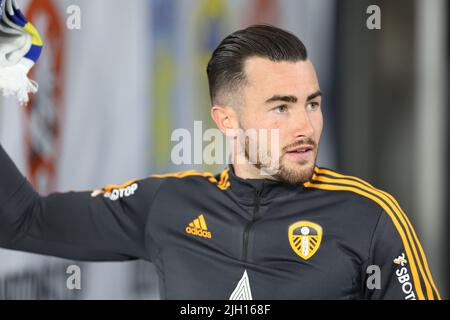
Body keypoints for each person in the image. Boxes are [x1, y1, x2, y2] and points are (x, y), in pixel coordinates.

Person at [0, 24, 440, 300]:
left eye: (313, 103)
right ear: (226, 120)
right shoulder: (167, 204)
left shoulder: (370, 215)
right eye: (282, 107)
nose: (306, 126)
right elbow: (22, 221)